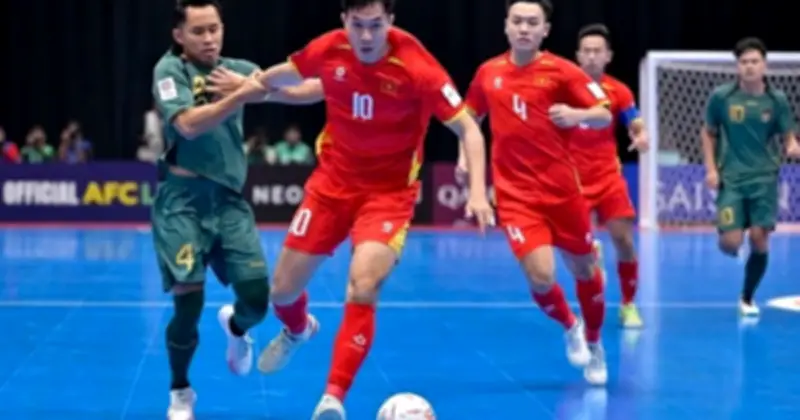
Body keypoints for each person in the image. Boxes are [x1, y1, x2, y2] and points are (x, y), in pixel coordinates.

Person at [251, 0, 494, 417]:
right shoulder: (330, 47)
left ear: (391, 22)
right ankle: (298, 329)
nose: (366, 36)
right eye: (358, 24)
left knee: (363, 286)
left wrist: (477, 192)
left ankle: (332, 398)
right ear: (344, 20)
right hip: (331, 185)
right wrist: (248, 87)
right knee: (282, 291)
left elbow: (469, 128)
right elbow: (288, 75)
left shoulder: (418, 65)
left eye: (376, 25)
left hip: (388, 195)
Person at [459, 0, 612, 385]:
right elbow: (469, 118)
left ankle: (595, 343)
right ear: (506, 26)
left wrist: (577, 115)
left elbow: (604, 113)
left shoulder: (563, 71)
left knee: (585, 270)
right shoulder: (489, 72)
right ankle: (571, 324)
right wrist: (464, 157)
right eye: (517, 21)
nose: (524, 28)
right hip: (515, 196)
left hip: (563, 194)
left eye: (532, 22)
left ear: (545, 30)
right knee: (541, 276)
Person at [150, 1, 282, 418]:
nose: (209, 39)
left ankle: (236, 327)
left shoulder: (238, 70)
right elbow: (187, 125)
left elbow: (293, 88)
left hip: (229, 202)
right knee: (188, 305)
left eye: (215, 29)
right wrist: (242, 93)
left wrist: (342, 72)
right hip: (182, 204)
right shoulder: (169, 72)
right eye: (198, 31)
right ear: (179, 35)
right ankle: (180, 391)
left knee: (257, 300)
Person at [701, 37, 799, 318]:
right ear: (738, 66)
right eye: (744, 62)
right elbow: (708, 132)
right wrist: (711, 169)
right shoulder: (722, 97)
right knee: (731, 243)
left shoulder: (776, 100)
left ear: (764, 65)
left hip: (764, 180)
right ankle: (730, 234)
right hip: (731, 179)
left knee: (759, 238)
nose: (749, 66)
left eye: (755, 61)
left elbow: (788, 136)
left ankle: (746, 297)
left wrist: (792, 145)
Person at [572, 23, 649, 328]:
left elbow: (635, 122)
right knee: (579, 249)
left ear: (608, 56)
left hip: (607, 177)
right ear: (578, 55)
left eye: (597, 51)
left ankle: (628, 304)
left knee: (624, 241)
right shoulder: (563, 88)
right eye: (586, 51)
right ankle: (592, 254)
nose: (592, 56)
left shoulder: (619, 91)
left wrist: (641, 136)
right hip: (572, 180)